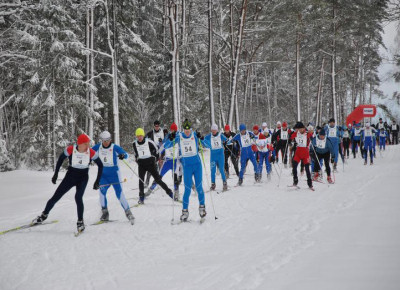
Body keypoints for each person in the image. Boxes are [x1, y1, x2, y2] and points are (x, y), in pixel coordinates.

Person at [32, 134, 103, 233]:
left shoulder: (90, 152)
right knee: (56, 197)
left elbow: (100, 165)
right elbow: (61, 159)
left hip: (83, 178)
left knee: (78, 197)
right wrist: (55, 174)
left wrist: (97, 181)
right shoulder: (70, 149)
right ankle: (43, 215)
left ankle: (80, 222)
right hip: (70, 177)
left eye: (88, 144)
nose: (88, 146)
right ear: (80, 143)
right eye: (86, 144)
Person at [165, 119, 206, 221]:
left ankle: (202, 208)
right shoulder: (179, 137)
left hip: (197, 165)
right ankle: (185, 212)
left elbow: (206, 144)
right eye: (185, 130)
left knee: (199, 187)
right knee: (187, 190)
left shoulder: (195, 135)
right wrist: (170, 138)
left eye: (189, 130)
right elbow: (166, 146)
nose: (187, 132)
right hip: (187, 167)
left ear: (191, 129)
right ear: (183, 129)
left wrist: (202, 137)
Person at [92, 131, 134, 224]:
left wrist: (123, 155)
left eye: (108, 140)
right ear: (101, 140)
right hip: (103, 175)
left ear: (110, 139)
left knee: (119, 194)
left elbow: (125, 154)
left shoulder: (114, 147)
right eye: (104, 140)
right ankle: (105, 213)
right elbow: (89, 152)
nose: (106, 142)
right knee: (102, 193)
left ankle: (128, 212)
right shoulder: (98, 147)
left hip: (115, 174)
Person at [132, 128, 174, 204]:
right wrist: (136, 159)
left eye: (140, 136)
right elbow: (135, 153)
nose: (139, 138)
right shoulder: (134, 144)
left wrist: (156, 158)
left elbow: (157, 150)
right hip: (141, 164)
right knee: (141, 181)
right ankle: (141, 197)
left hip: (150, 163)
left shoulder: (149, 142)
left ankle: (170, 192)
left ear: (143, 135)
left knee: (158, 180)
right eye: (138, 136)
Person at [147, 123, 181, 200]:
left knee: (175, 178)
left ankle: (176, 192)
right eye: (172, 130)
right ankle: (150, 190)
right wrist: (158, 153)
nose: (173, 131)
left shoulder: (179, 136)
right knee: (159, 176)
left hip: (175, 161)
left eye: (174, 130)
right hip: (167, 161)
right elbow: (163, 145)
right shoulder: (168, 135)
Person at [202, 124, 228, 191]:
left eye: (215, 130)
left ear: (217, 130)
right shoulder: (208, 136)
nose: (213, 131)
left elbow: (227, 140)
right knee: (212, 170)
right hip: (213, 156)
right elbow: (203, 141)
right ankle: (213, 184)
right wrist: (201, 139)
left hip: (220, 155)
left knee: (222, 169)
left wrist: (227, 141)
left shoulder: (220, 135)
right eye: (212, 130)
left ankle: (225, 183)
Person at [290, 122, 313, 189]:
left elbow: (312, 136)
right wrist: (290, 137)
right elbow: (291, 137)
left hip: (305, 153)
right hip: (298, 152)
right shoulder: (296, 133)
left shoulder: (307, 134)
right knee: (294, 166)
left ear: (303, 128)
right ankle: (295, 181)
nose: (300, 130)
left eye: (301, 129)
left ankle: (310, 184)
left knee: (307, 169)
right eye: (299, 129)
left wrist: (311, 136)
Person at [144, 120, 165, 187]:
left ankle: (157, 182)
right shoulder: (150, 133)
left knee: (160, 169)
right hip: (153, 153)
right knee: (151, 168)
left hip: (161, 152)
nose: (156, 127)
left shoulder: (163, 132)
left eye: (158, 126)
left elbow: (167, 141)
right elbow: (144, 139)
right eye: (155, 126)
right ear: (154, 126)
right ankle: (147, 182)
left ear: (159, 126)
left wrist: (162, 142)